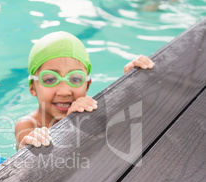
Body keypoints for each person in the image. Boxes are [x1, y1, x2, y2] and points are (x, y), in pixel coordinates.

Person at [15, 31, 155, 149]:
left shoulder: (89, 109)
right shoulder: (28, 124)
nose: (64, 91)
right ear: (32, 88)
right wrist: (70, 124)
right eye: (50, 79)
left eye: (75, 79)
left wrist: (130, 84)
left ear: (87, 85)